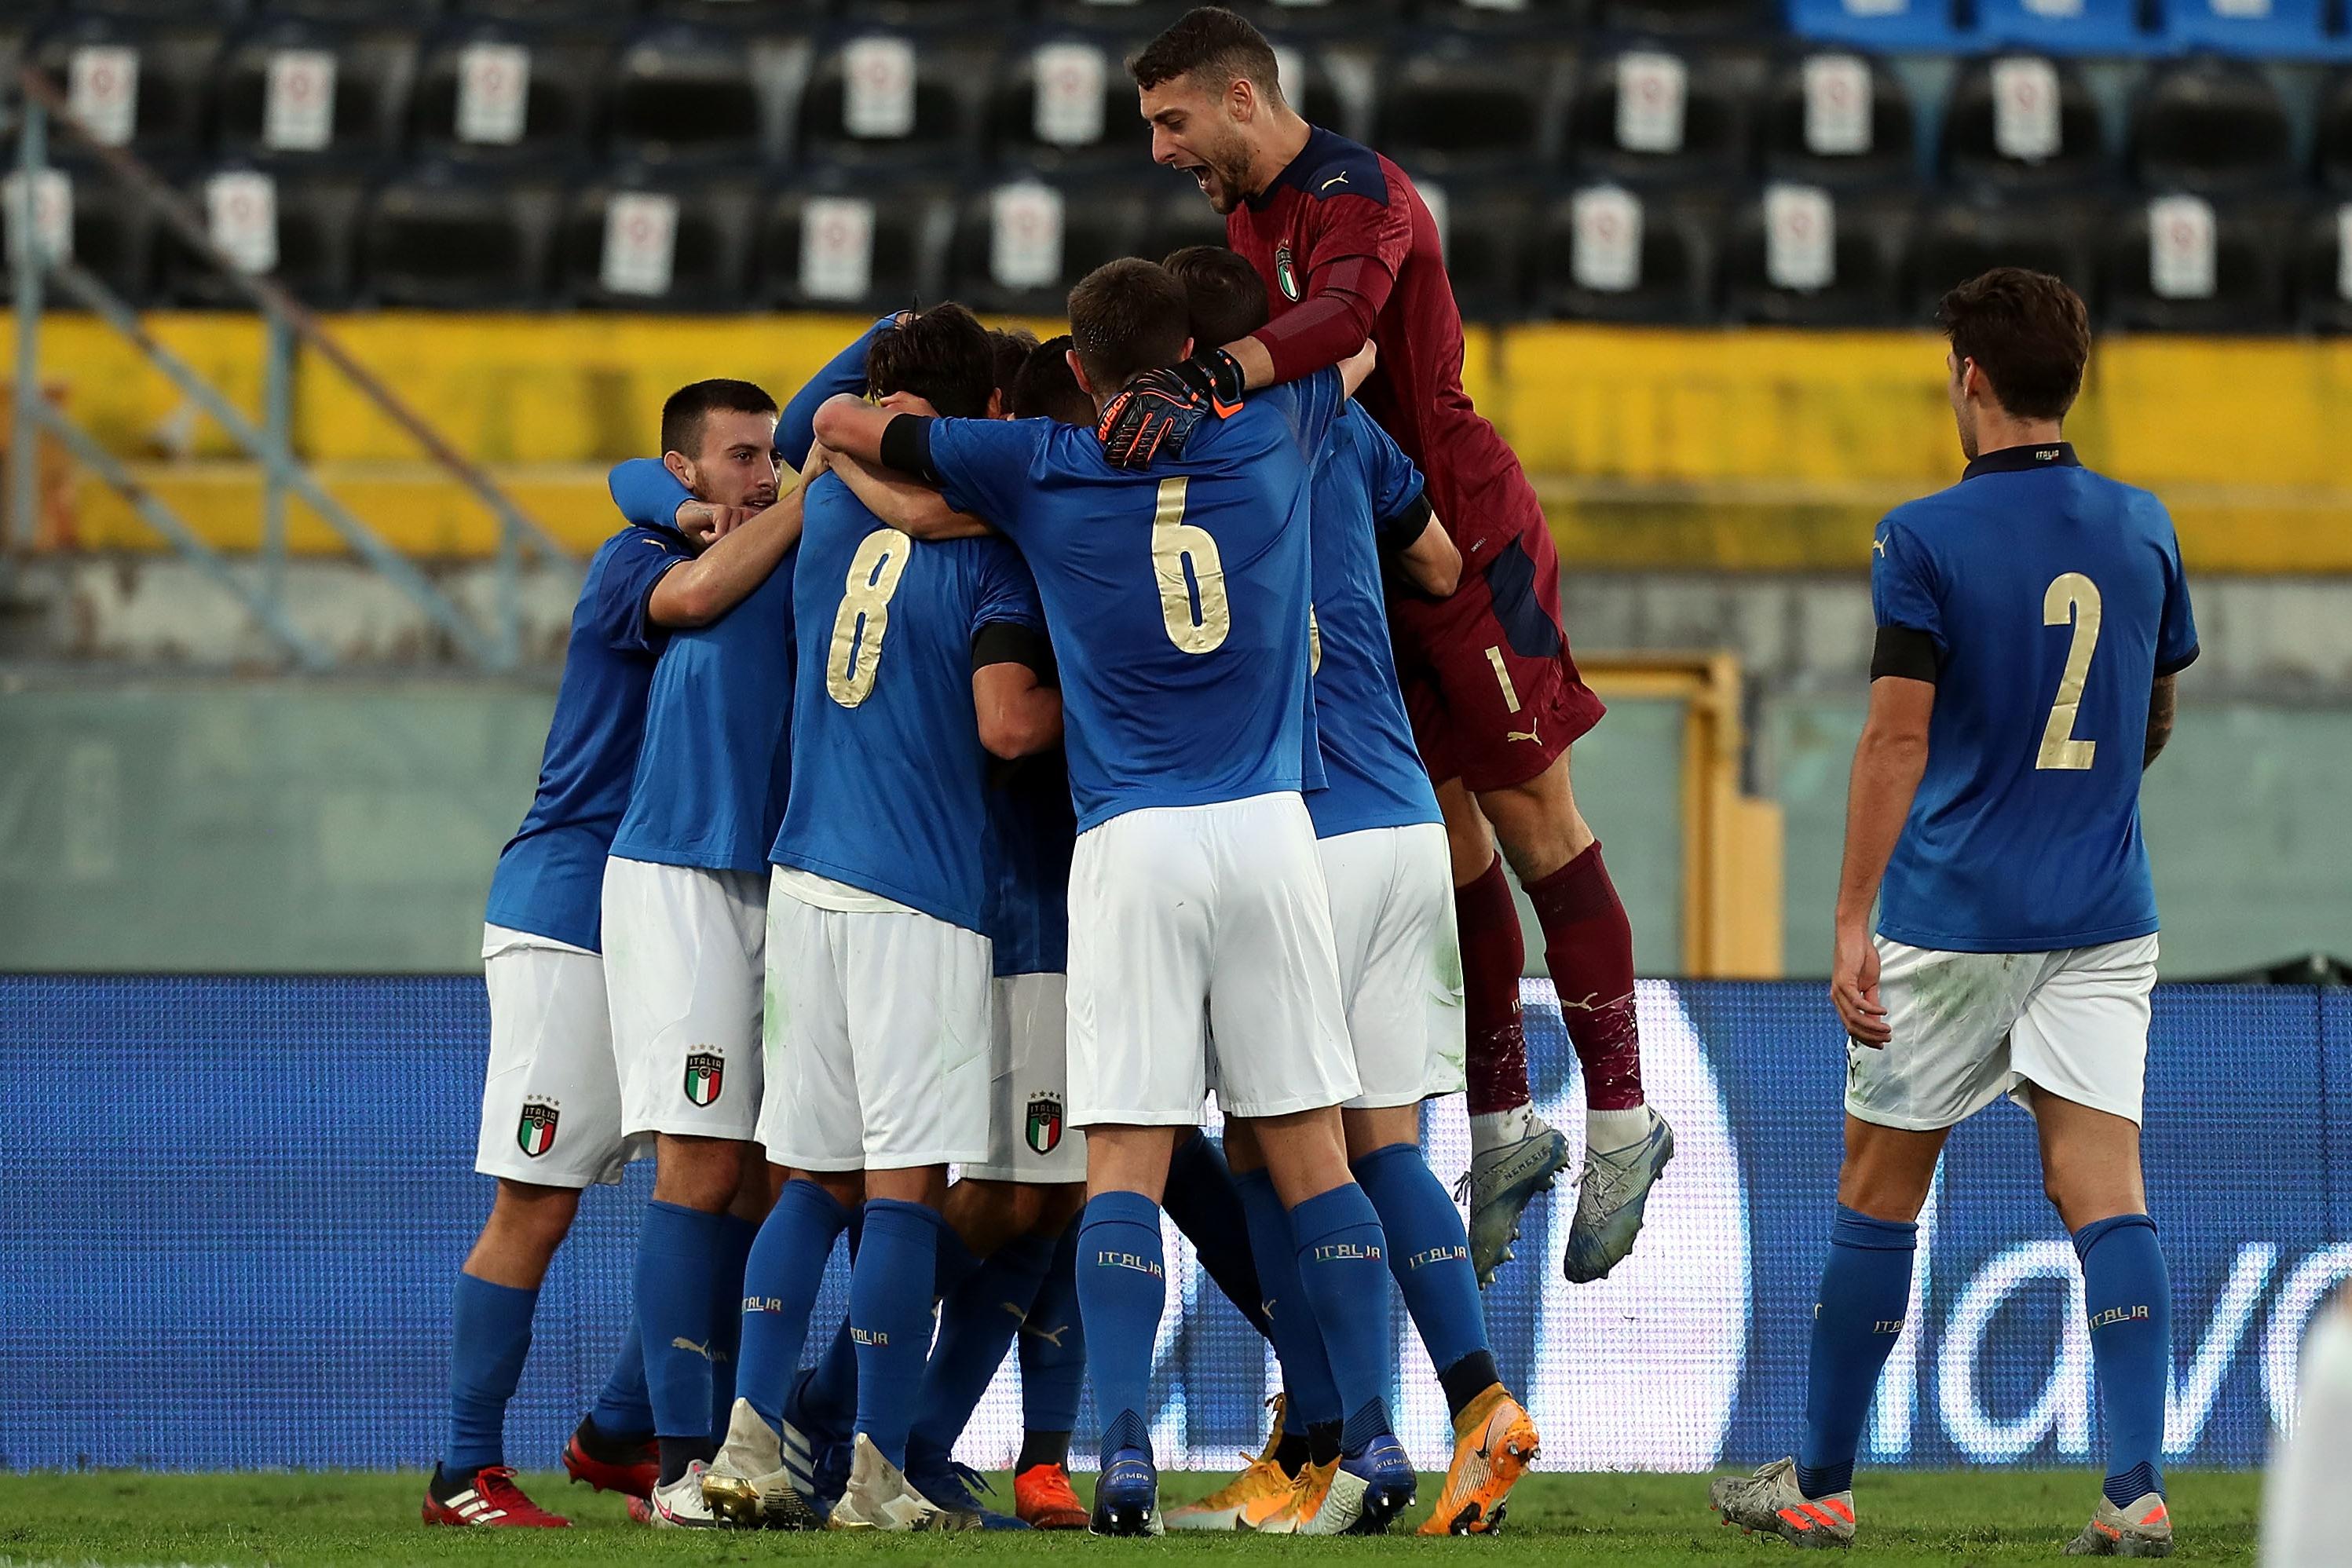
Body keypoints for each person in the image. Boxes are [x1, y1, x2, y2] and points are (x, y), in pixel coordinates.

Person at [814, 257, 1416, 1538]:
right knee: (1313, 1148)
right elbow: (1361, 339)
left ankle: (1126, 1452)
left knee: (1126, 1159)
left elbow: (843, 422)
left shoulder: (1035, 464)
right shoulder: (1275, 429)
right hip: (1269, 830)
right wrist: (1222, 381)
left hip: (1131, 842)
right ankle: (1371, 1431)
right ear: (1187, 346)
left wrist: (915, 494)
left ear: (1076, 371)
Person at [1111, 5, 1673, 1288]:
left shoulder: (1358, 192)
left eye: (1172, 121)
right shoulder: (1251, 220)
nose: (1161, 152)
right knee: (1447, 838)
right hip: (1369, 542)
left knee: (1542, 833)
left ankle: (1628, 1123)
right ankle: (1503, 1123)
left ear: (1241, 99)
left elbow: (1352, 333)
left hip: (1463, 538)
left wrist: (1215, 381)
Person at [1708, 269, 2197, 1555]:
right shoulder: (2145, 525)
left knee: (1880, 1190)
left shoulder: (1920, 535)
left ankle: (1819, 1481)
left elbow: (1893, 739)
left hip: (1953, 915)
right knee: (2106, 1187)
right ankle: (2136, 1486)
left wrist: (1849, 915)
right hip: (2103, 912)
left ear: (1968, 379)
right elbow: (2150, 711)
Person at [1158, 245, 1541, 1537]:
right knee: (1378, 1144)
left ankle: (1329, 1443)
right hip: (1403, 823)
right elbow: (1438, 567)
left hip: (1297, 830)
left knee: (1277, 1149)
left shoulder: (1183, 458)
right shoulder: (1341, 435)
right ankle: (1480, 1401)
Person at [700, 303, 1062, 1533]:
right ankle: (873, 1473)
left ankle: (746, 1451)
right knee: (904, 1194)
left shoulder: (829, 499)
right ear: (975, 416)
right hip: (920, 895)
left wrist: (887, 351)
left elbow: (811, 420)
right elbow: (1006, 722)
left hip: (805, 877)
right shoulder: (994, 545)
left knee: (808, 1181)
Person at [426, 384, 804, 1530]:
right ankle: (463, 1469)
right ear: (682, 474)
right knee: (538, 1200)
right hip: (572, 908)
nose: (765, 475)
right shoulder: (635, 559)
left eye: (775, 459)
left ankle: (623, 1427)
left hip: (674, 902)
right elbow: (682, 570)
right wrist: (793, 499)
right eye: (741, 457)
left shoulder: (739, 545)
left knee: (746, 1174)